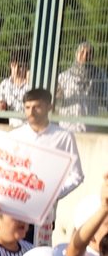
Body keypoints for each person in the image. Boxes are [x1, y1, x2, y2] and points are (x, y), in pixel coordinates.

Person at [10, 88, 84, 242]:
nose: (31, 112)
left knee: (38, 253)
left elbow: (76, 175)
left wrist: (52, 194)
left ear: (49, 107)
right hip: (14, 210)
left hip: (44, 214)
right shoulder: (14, 136)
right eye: (27, 107)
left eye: (37, 107)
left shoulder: (63, 137)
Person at [56, 41, 106, 132]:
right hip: (67, 126)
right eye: (82, 52)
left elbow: (106, 98)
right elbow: (57, 103)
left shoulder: (99, 75)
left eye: (89, 53)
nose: (85, 56)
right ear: (76, 54)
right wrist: (58, 97)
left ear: (92, 57)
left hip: (89, 127)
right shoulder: (63, 77)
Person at [0, 50, 32, 120]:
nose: (16, 69)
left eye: (20, 66)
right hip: (12, 122)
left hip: (29, 123)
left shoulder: (30, 84)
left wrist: (30, 80)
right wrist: (1, 105)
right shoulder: (4, 84)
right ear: (11, 65)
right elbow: (2, 107)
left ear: (26, 67)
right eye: (14, 65)